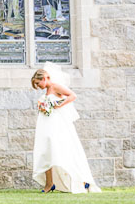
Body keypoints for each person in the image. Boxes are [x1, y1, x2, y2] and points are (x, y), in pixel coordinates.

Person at [31, 63, 101, 194]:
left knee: (64, 151)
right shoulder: (47, 91)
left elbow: (72, 95)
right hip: (46, 125)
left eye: (38, 83)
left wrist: (58, 104)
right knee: (46, 151)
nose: (38, 87)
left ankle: (82, 180)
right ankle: (49, 183)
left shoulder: (56, 86)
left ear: (44, 78)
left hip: (56, 125)